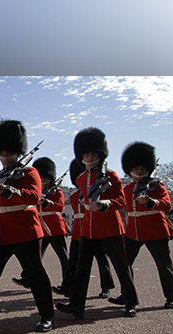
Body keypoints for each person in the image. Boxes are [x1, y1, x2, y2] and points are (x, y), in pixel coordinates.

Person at [0, 119, 55, 334]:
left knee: (35, 276)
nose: (5, 152)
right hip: (0, 235)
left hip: (25, 231)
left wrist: (8, 192)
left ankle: (47, 315)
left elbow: (34, 197)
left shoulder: (29, 173)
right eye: (1, 149)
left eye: (9, 148)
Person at [55, 127, 139, 319]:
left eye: (93, 153)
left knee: (121, 266)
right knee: (81, 268)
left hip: (110, 227)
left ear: (99, 154)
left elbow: (121, 201)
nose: (90, 156)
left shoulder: (111, 175)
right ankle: (76, 305)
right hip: (89, 229)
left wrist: (104, 204)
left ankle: (130, 302)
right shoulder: (82, 178)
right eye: (87, 153)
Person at [109, 141, 173, 310]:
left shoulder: (157, 186)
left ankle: (171, 297)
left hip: (155, 231)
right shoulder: (127, 188)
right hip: (132, 232)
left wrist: (151, 202)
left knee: (164, 265)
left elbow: (166, 205)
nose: (139, 171)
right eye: (135, 168)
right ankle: (126, 295)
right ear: (130, 169)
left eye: (141, 168)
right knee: (125, 264)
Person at [52, 159, 114, 298]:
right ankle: (66, 286)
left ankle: (106, 287)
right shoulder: (73, 196)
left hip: (93, 229)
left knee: (101, 259)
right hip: (79, 231)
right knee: (73, 260)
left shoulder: (97, 192)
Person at [12, 157, 69, 289]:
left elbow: (59, 207)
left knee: (63, 257)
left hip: (55, 227)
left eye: (45, 177)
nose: (43, 180)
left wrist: (46, 202)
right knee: (36, 257)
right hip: (41, 226)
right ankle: (27, 278)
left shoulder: (57, 191)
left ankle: (69, 283)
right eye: (41, 177)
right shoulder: (37, 191)